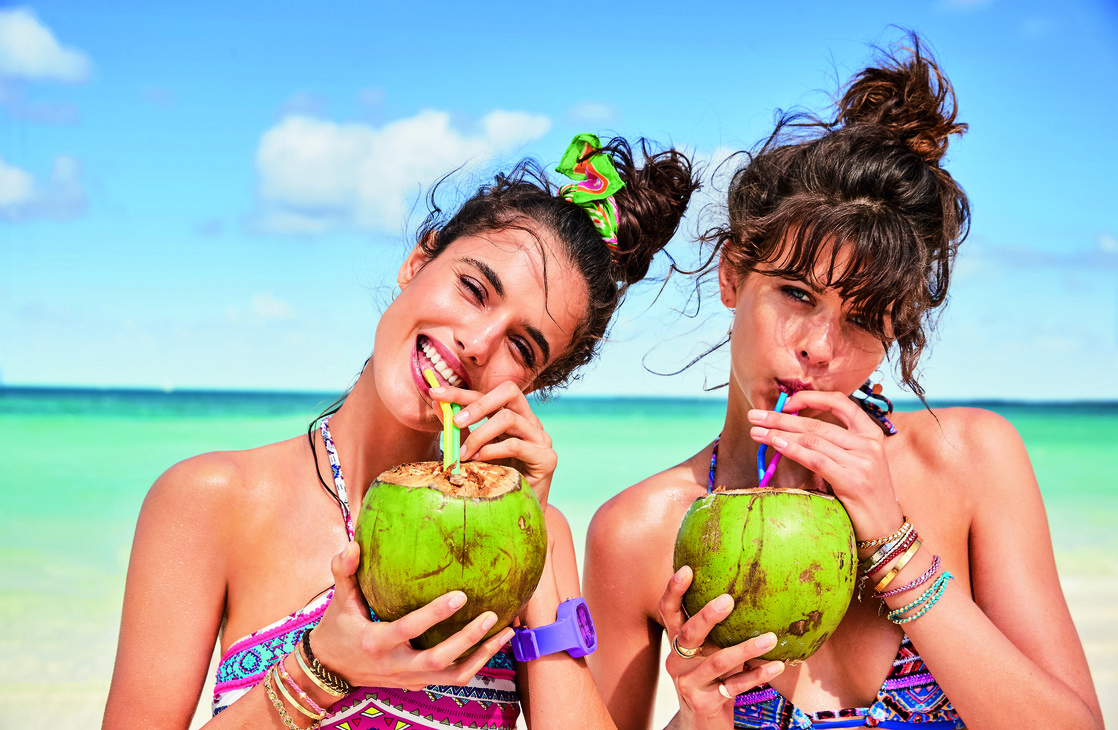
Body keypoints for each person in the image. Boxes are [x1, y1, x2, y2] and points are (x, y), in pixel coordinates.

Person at [584, 38, 1104, 730]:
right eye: (797, 294)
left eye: (862, 319)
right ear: (734, 274)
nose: (819, 349)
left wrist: (895, 546)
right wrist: (702, 717)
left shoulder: (968, 461)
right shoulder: (640, 533)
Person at [102, 132, 699, 730]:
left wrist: (529, 538)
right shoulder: (211, 501)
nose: (476, 342)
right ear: (418, 262)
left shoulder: (540, 533)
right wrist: (317, 670)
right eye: (474, 289)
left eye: (521, 345)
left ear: (532, 384)